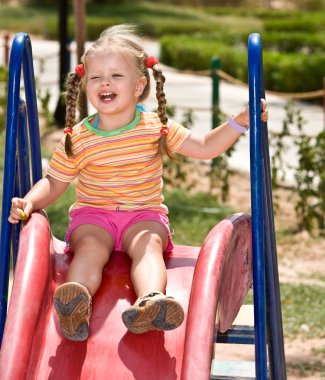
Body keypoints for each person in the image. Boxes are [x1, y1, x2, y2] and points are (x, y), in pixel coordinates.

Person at [8, 24, 268, 341]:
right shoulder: (78, 138)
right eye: (96, 77)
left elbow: (204, 147)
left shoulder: (155, 126)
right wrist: (30, 202)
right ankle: (75, 303)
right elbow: (54, 182)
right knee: (89, 248)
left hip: (144, 216)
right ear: (85, 85)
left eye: (117, 75)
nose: (105, 82)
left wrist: (237, 123)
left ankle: (151, 302)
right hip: (93, 216)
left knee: (148, 247)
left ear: (138, 85)